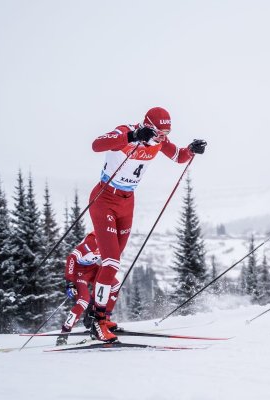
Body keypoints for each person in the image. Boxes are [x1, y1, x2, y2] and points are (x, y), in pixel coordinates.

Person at [89, 106, 207, 342]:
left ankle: (97, 311)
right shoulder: (127, 131)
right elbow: (96, 144)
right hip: (104, 199)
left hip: (127, 202)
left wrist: (192, 150)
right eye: (159, 132)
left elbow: (179, 156)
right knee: (111, 262)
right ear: (147, 126)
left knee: (113, 263)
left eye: (167, 132)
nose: (163, 137)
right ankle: (97, 320)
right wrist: (132, 137)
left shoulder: (159, 141)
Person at [56, 231, 120, 345]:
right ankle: (64, 332)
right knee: (83, 301)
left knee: (115, 286)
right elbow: (71, 258)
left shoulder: (111, 240)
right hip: (79, 272)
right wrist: (69, 282)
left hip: (93, 268)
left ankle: (103, 320)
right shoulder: (92, 241)